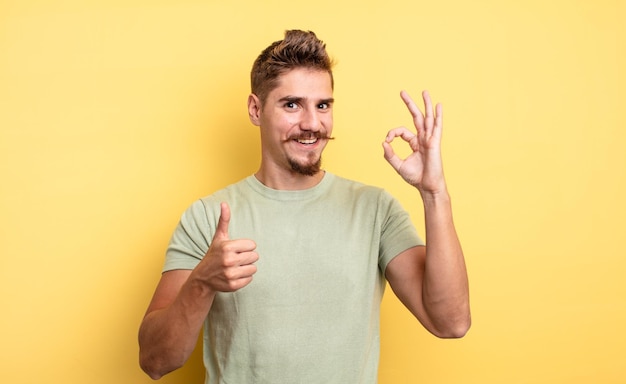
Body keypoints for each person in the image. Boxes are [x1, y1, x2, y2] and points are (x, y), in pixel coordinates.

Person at [138, 29, 470, 383]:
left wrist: (434, 193)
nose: (312, 124)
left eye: (322, 105)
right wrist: (201, 283)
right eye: (292, 104)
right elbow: (155, 361)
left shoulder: (375, 210)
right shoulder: (207, 217)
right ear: (255, 109)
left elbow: (450, 322)